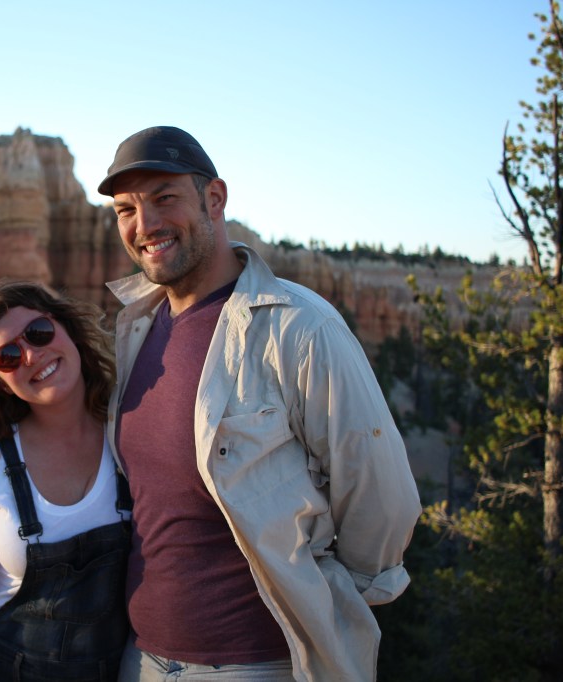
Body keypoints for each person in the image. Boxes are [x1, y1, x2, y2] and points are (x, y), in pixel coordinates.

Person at [96, 126, 422, 682]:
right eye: (127, 209)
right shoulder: (134, 330)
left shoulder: (300, 327)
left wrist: (335, 604)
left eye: (164, 198)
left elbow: (380, 496)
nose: (144, 225)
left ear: (215, 199)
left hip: (257, 664)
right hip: (143, 660)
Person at [0, 280, 132, 682]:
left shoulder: (131, 432)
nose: (30, 354)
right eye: (7, 357)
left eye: (38, 332)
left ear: (66, 328)